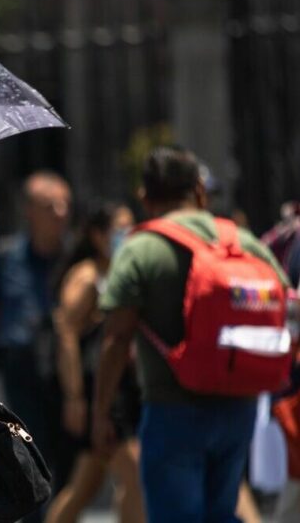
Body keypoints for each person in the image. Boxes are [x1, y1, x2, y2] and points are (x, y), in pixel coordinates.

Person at [92, 145, 289, 523]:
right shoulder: (242, 242)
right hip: (239, 406)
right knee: (222, 512)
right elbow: (285, 302)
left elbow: (116, 338)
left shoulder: (140, 248)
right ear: (199, 191)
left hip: (172, 410)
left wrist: (101, 412)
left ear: (146, 198)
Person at [0, 170, 73, 519]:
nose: (59, 212)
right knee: (27, 452)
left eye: (64, 205)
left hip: (65, 372)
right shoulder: (6, 259)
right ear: (30, 210)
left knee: (68, 457)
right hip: (20, 370)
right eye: (49, 205)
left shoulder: (75, 259)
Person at [45, 201, 144, 523]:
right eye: (119, 229)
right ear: (97, 235)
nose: (126, 236)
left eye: (131, 228)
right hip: (99, 390)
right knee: (136, 477)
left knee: (86, 486)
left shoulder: (119, 271)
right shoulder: (87, 276)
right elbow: (66, 332)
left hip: (122, 388)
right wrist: (74, 397)